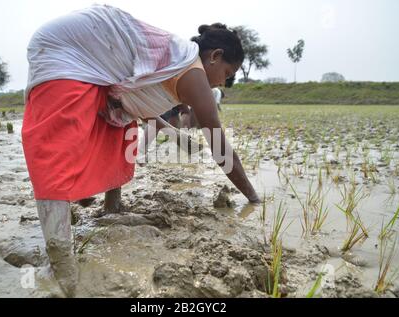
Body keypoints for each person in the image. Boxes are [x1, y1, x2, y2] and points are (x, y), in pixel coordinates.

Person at [22, 4, 261, 297]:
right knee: (56, 150)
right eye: (227, 73)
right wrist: (252, 196)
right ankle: (60, 261)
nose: (224, 82)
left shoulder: (174, 62)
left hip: (89, 56)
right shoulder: (193, 73)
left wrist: (175, 135)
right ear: (215, 56)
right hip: (65, 51)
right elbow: (221, 149)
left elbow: (134, 106)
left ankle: (112, 208)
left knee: (121, 129)